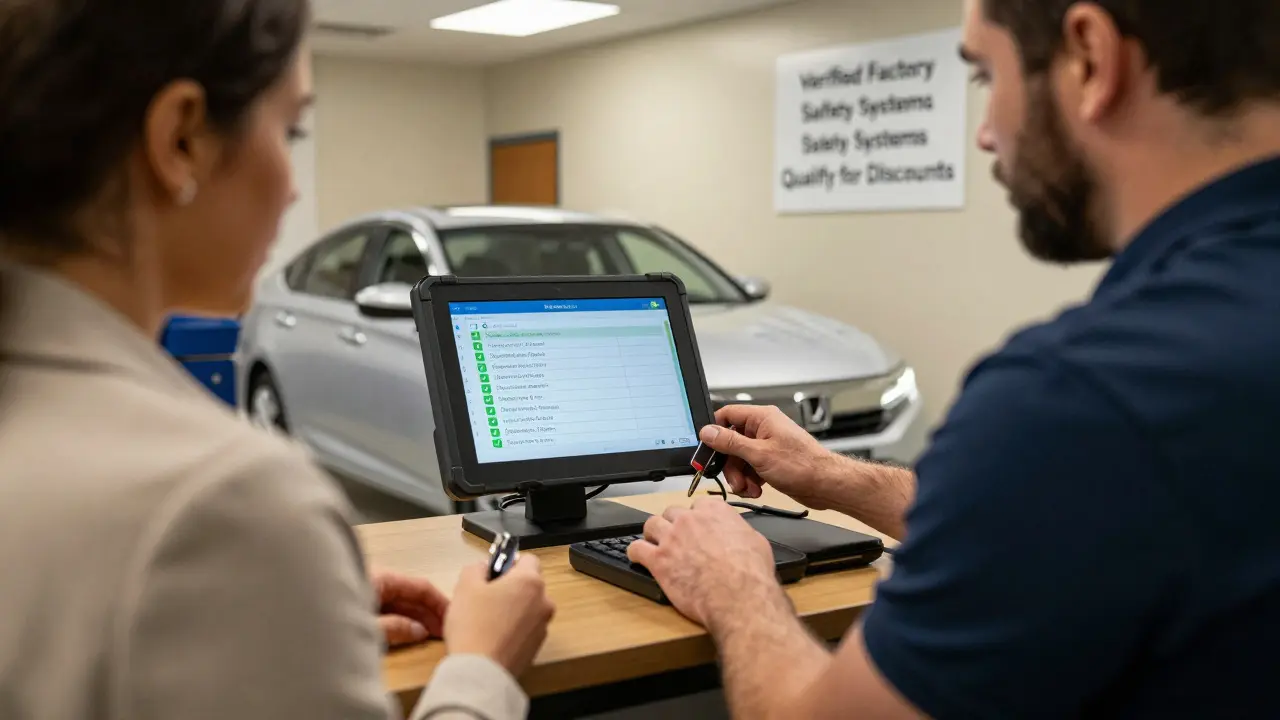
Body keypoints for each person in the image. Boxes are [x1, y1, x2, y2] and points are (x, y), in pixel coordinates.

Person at [629, 0, 1280, 717]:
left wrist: (735, 586)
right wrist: (829, 476)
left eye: (984, 76)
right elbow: (1061, 520)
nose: (985, 133)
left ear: (1091, 57)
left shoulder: (1084, 395)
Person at [0, 1, 553, 718]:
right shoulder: (224, 499)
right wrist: (482, 665)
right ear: (181, 139)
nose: (293, 185)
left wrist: (272, 617)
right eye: (289, 130)